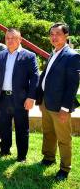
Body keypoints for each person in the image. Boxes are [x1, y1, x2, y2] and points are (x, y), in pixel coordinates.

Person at [37, 23, 80, 181]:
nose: (54, 37)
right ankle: (48, 158)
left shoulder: (72, 56)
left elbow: (72, 85)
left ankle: (64, 168)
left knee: (63, 138)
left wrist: (65, 108)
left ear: (66, 36)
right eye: (51, 34)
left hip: (60, 106)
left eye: (58, 34)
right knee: (48, 133)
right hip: (47, 103)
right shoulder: (53, 53)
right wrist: (40, 100)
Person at [0, 28, 39, 163]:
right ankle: (5, 150)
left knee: (22, 127)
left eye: (13, 38)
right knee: (4, 125)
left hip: (21, 99)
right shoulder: (1, 55)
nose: (10, 41)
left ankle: (21, 156)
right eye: (7, 38)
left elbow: (35, 78)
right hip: (3, 98)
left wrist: (31, 97)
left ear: (20, 39)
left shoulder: (29, 56)